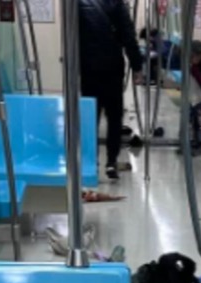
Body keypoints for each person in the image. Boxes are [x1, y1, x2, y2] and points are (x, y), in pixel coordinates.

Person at [78, 0, 143, 180]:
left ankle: (90, 162)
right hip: (112, 68)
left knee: (90, 117)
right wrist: (137, 66)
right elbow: (128, 37)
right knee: (114, 117)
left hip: (88, 68)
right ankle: (111, 162)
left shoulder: (78, 4)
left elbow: (72, 37)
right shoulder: (117, 4)